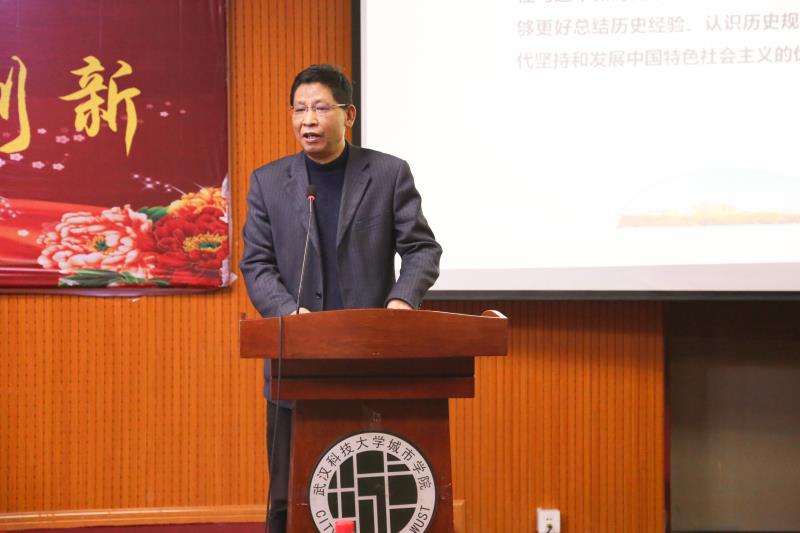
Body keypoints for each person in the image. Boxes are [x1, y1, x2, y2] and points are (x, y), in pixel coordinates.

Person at [240, 64, 442, 532]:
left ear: (348, 115)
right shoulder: (268, 182)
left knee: (371, 493)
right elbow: (256, 263)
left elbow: (421, 249)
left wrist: (401, 302)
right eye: (299, 109)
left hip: (370, 361)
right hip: (297, 363)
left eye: (319, 108)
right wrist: (290, 313)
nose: (307, 120)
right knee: (287, 498)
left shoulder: (388, 173)